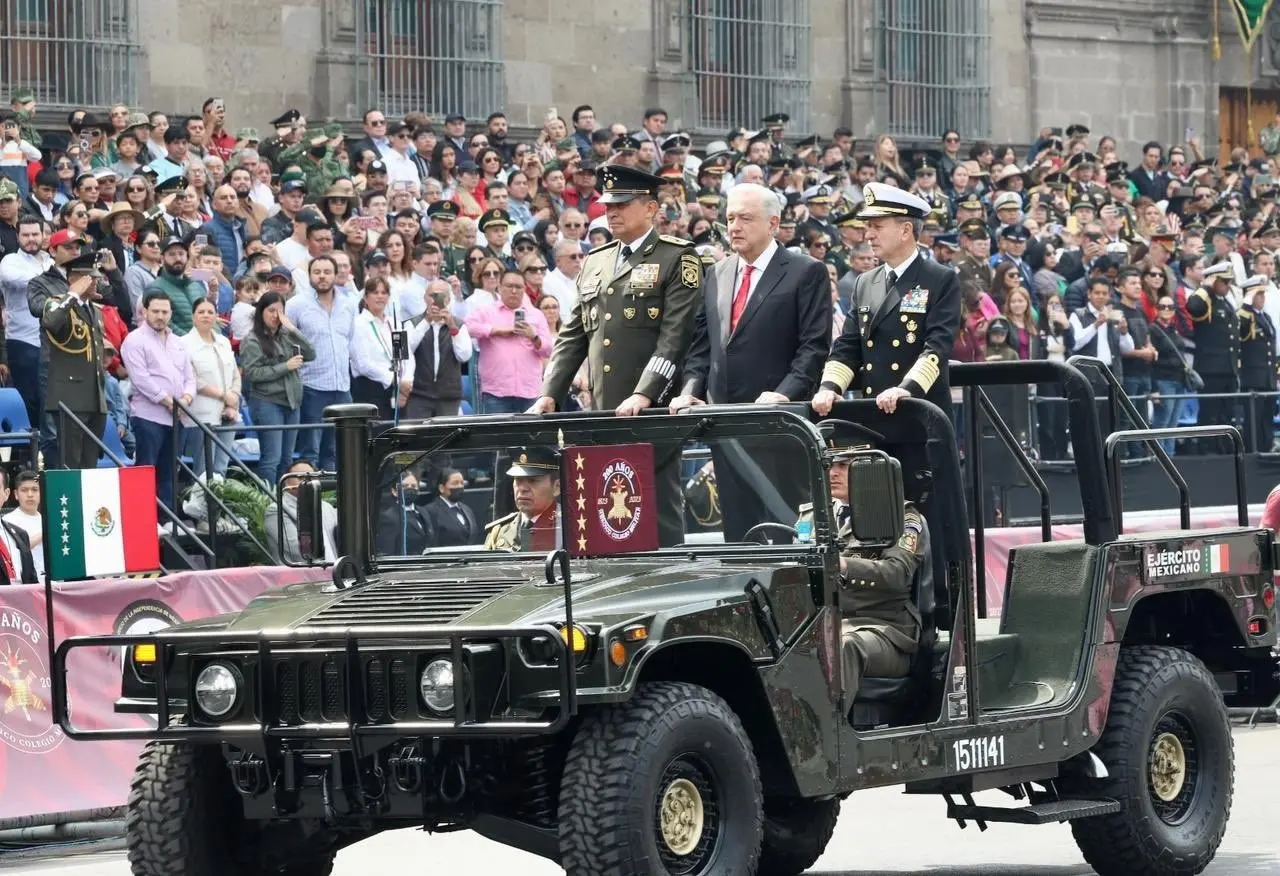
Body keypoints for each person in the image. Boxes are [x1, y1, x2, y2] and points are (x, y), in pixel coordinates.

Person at [671, 182, 832, 539]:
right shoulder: (716, 273)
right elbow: (702, 346)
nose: (734, 227)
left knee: (787, 529)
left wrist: (784, 394)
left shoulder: (805, 272)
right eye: (730, 218)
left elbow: (814, 348)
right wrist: (691, 389)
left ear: (773, 224)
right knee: (739, 531)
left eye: (745, 218)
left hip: (778, 426)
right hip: (726, 427)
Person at [811, 182, 961, 422]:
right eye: (868, 226)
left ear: (905, 230)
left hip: (920, 414)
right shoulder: (865, 282)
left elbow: (937, 347)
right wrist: (829, 387)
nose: (868, 234)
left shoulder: (939, 279)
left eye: (877, 226)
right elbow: (848, 345)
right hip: (874, 413)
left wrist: (907, 389)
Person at [29, 238, 108, 470]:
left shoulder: (94, 310)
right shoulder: (58, 303)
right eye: (91, 279)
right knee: (71, 463)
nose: (97, 283)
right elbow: (51, 321)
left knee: (89, 464)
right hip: (70, 396)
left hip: (94, 397)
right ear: (76, 279)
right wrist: (72, 295)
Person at [120, 290, 195, 512]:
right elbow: (141, 379)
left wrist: (187, 397)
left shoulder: (178, 342)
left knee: (170, 472)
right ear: (144, 311)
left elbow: (190, 377)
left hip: (177, 417)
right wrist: (169, 401)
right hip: (148, 417)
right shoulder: (134, 340)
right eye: (155, 311)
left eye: (165, 311)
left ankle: (167, 520)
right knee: (146, 471)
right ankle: (143, 519)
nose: (160, 316)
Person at [286, 255, 356, 471]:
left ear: (336, 275)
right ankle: (313, 501)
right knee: (311, 451)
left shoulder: (349, 305)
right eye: (317, 272)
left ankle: (335, 500)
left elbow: (350, 340)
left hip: (342, 387)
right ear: (309, 276)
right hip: (311, 387)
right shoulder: (296, 305)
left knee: (338, 451)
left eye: (327, 272)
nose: (322, 276)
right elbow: (287, 342)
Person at [239, 291, 316, 486]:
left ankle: (285, 501)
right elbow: (252, 373)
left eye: (280, 311)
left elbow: (311, 353)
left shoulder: (286, 335)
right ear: (261, 312)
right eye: (271, 310)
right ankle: (268, 502)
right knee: (271, 458)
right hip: (267, 401)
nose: (276, 316)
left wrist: (292, 329)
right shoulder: (252, 339)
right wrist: (285, 367)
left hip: (291, 402)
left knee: (286, 459)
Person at [180, 298, 240, 481]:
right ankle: (199, 508)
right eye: (201, 312)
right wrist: (223, 396)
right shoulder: (184, 343)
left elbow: (235, 374)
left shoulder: (223, 341)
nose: (206, 316)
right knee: (203, 470)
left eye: (210, 312)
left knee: (221, 468)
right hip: (203, 414)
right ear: (193, 317)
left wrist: (233, 400)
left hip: (229, 413)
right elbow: (192, 379)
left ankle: (218, 508)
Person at [1186, 262, 1241, 452]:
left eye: (1229, 282)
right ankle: (1207, 450)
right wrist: (1204, 287)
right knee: (1210, 413)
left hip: (1228, 369)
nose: (1227, 285)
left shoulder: (1225, 302)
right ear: (1214, 281)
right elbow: (1192, 307)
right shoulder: (1205, 300)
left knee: (1226, 414)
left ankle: (1224, 450)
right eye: (1223, 281)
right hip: (1211, 369)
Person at [485, 446, 561, 552]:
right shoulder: (499, 532)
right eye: (518, 480)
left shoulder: (569, 530)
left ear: (556, 487)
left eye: (533, 481)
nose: (522, 488)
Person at [267, 460, 338, 563]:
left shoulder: (327, 507)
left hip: (336, 572)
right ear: (286, 481)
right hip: (302, 576)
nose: (306, 481)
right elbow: (298, 551)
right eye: (300, 478)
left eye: (311, 478)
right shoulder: (276, 509)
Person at [1238, 277, 1277, 453]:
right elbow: (1241, 329)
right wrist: (1246, 305)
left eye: (1263, 294)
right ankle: (1253, 450)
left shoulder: (1265, 316)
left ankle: (1267, 446)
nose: (1262, 298)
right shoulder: (1245, 315)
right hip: (1253, 377)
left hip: (1267, 376)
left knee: (1267, 416)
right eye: (1258, 294)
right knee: (1254, 418)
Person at [376, 470, 432, 556]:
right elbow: (388, 551)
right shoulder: (389, 517)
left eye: (414, 486)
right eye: (405, 486)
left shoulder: (423, 512)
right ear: (394, 491)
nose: (410, 489)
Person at [2, 471, 43, 580]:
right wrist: (45, 533)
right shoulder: (7, 521)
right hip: (25, 583)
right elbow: (13, 550)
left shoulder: (47, 519)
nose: (30, 494)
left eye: (35, 489)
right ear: (15, 494)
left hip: (53, 581)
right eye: (24, 490)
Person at [424, 469, 480, 547]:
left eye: (462, 483)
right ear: (442, 488)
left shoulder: (467, 510)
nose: (460, 486)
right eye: (455, 483)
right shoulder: (429, 511)